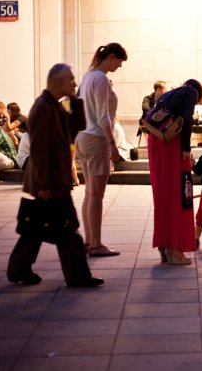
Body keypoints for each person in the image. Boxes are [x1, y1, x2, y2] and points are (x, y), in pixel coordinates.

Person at [6, 63, 103, 288]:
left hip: (55, 181)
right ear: (58, 81)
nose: (75, 83)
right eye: (71, 79)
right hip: (49, 183)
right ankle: (77, 276)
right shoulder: (42, 108)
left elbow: (77, 126)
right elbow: (39, 150)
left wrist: (75, 101)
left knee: (38, 228)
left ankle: (19, 269)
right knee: (65, 228)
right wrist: (44, 185)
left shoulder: (57, 105)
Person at [75, 42, 127, 257]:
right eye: (119, 62)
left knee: (90, 193)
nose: (119, 66)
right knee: (96, 195)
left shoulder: (88, 75)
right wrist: (112, 145)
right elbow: (103, 116)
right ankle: (96, 245)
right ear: (111, 57)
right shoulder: (101, 78)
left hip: (82, 137)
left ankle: (89, 241)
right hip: (96, 140)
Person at [149, 79, 202, 265]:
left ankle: (164, 246)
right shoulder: (191, 92)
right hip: (172, 145)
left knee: (163, 195)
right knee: (179, 194)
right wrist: (186, 148)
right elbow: (187, 119)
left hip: (156, 141)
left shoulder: (167, 94)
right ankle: (175, 249)